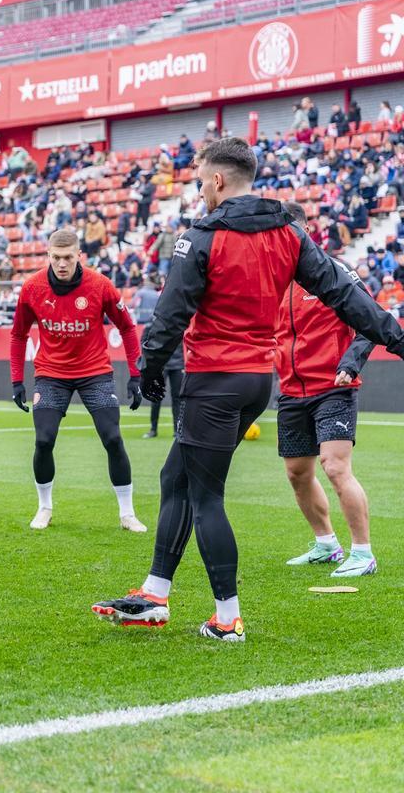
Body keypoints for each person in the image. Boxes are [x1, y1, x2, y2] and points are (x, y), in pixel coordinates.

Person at [92, 138, 404, 642]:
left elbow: (172, 314)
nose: (198, 192)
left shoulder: (202, 236)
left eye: (199, 182)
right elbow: (347, 295)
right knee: (177, 476)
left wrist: (146, 370)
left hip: (214, 380)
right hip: (260, 381)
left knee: (205, 495)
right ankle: (154, 593)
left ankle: (227, 618)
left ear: (217, 180)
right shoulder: (289, 232)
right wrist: (398, 338)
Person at [9, 228, 147, 533]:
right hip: (50, 375)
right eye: (56, 257)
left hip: (94, 372)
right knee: (44, 441)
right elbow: (18, 334)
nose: (61, 263)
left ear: (79, 256)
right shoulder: (32, 288)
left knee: (112, 438)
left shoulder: (100, 285)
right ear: (48, 255)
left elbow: (127, 327)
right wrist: (17, 380)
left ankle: (127, 513)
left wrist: (136, 375)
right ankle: (44, 507)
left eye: (67, 257)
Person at [276, 202, 376, 577]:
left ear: (303, 233)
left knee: (334, 467)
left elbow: (370, 321)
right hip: (290, 390)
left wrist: (350, 363)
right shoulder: (273, 281)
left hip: (334, 385)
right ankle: (326, 545)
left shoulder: (334, 272)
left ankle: (363, 553)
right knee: (296, 473)